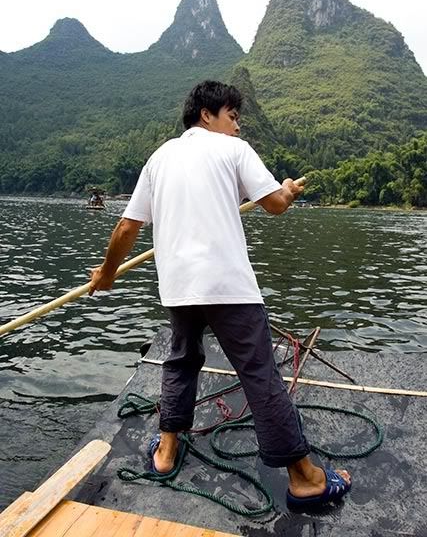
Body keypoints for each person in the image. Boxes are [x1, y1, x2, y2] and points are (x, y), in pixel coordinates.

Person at [89, 80, 351, 506]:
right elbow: (276, 205)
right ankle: (305, 479)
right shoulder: (234, 151)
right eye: (233, 117)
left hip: (178, 287)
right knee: (258, 373)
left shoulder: (159, 158)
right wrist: (287, 188)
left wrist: (106, 274)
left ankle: (167, 451)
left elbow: (127, 227)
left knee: (181, 361)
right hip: (228, 286)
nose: (237, 127)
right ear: (206, 114)